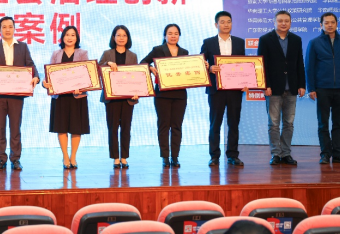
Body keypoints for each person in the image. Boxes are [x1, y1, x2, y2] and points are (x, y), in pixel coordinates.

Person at [0, 16, 39, 171]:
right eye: (4, 27)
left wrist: (36, 76)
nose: (7, 29)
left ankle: (15, 159)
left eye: (10, 26)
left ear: (15, 28)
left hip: (16, 95)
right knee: (0, 128)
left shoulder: (23, 46)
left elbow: (30, 65)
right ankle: (1, 159)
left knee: (15, 128)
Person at [306, 12, 340, 165]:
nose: (329, 25)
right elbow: (309, 67)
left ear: (337, 24)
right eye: (326, 23)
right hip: (322, 89)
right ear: (321, 25)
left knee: (339, 123)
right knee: (323, 124)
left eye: (332, 22)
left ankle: (338, 154)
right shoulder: (314, 43)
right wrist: (311, 88)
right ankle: (325, 154)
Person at [257, 10, 306, 166]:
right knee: (274, 124)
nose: (283, 23)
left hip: (291, 87)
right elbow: (261, 65)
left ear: (290, 23)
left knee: (289, 123)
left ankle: (286, 153)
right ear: (274, 22)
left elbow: (299, 63)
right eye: (280, 21)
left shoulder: (296, 39)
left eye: (286, 21)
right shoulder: (265, 39)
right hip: (273, 88)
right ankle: (276, 154)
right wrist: (266, 85)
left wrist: (302, 84)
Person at [142, 24, 191, 169]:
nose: (173, 36)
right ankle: (165, 157)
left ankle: (175, 156)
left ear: (179, 35)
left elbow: (189, 69)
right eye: (170, 33)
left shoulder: (184, 52)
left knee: (177, 126)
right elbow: (143, 63)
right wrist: (150, 67)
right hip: (162, 94)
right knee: (163, 126)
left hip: (180, 94)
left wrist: (202, 66)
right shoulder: (158, 49)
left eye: (176, 33)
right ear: (165, 35)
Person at [201, 11, 247, 167]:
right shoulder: (208, 43)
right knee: (215, 123)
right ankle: (214, 156)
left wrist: (246, 81)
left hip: (235, 90)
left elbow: (244, 66)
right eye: (222, 22)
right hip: (216, 90)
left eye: (229, 21)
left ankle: (233, 155)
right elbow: (201, 64)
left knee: (234, 123)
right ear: (216, 24)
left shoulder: (239, 42)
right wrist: (209, 68)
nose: (226, 24)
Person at [44, 26, 90, 169]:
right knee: (61, 127)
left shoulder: (83, 53)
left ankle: (73, 157)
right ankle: (65, 156)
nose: (70, 38)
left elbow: (87, 74)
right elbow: (50, 74)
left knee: (76, 128)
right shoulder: (56, 54)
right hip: (60, 97)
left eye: (73, 35)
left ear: (77, 38)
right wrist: (46, 83)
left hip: (77, 96)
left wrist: (81, 85)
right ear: (62, 37)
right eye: (67, 35)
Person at [99, 25, 139, 169]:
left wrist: (137, 91)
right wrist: (107, 63)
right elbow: (98, 69)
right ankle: (115, 158)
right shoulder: (107, 53)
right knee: (113, 128)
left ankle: (124, 157)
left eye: (124, 35)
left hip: (128, 98)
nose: (121, 38)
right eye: (118, 35)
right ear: (113, 37)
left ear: (128, 38)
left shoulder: (133, 55)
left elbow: (137, 76)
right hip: (111, 97)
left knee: (126, 128)